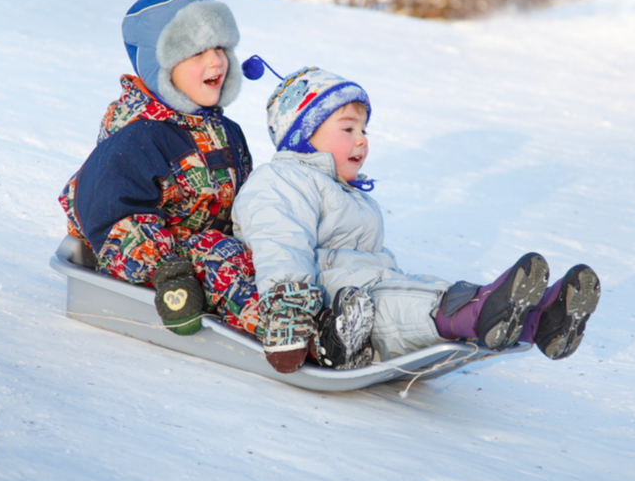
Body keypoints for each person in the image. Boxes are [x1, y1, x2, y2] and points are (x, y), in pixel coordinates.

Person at [231, 64, 601, 373]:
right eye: (348, 129)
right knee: (409, 307)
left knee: (432, 289)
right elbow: (280, 245)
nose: (361, 141)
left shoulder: (346, 191)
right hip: (337, 308)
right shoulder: (279, 180)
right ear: (303, 136)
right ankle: (483, 311)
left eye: (364, 130)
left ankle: (539, 321)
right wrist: (290, 315)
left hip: (373, 284)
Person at [59, 0, 264, 339]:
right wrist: (169, 272)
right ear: (160, 65)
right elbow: (117, 214)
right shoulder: (138, 136)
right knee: (222, 257)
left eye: (220, 47)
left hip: (216, 249)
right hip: (163, 267)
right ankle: (293, 332)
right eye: (197, 51)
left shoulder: (227, 130)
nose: (216, 60)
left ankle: (332, 307)